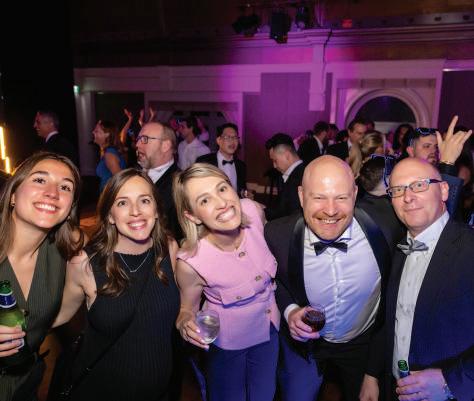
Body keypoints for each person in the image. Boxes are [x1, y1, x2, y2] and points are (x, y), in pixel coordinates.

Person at [265, 155, 395, 401]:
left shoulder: (386, 224)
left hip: (362, 345)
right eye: (319, 197)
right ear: (302, 196)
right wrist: (291, 311)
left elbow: (435, 221)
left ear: (355, 194)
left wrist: (448, 170)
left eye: (341, 197)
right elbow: (273, 280)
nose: (331, 210)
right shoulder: (276, 234)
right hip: (305, 346)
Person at [52, 169, 180, 401]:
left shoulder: (168, 249)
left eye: (144, 200)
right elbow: (58, 316)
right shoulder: (86, 263)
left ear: (156, 210)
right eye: (122, 203)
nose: (135, 211)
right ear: (110, 215)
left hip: (160, 392)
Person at [362, 157, 474, 401]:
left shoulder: (469, 248)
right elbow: (391, 317)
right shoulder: (399, 248)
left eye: (419, 185)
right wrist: (372, 374)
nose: (407, 197)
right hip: (395, 389)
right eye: (397, 190)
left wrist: (450, 382)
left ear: (443, 190)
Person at [173, 163, 280, 401]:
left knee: (265, 395)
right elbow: (186, 309)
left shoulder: (253, 211)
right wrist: (185, 323)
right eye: (205, 200)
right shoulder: (191, 262)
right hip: (228, 345)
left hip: (270, 329)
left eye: (222, 188)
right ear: (192, 216)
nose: (222, 202)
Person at [0, 152, 83, 401]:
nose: (53, 193)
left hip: (27, 386)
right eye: (39, 180)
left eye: (65, 187)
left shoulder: (65, 249)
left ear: (69, 208)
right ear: (13, 194)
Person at [136, 122, 182, 240]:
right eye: (139, 139)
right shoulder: (133, 174)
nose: (137, 144)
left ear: (165, 146)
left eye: (145, 139)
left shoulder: (182, 184)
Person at [196, 123, 247, 195]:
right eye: (227, 137)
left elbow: (241, 190)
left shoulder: (241, 166)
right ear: (218, 140)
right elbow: (198, 189)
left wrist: (245, 194)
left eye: (235, 137)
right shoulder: (204, 162)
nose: (232, 141)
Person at [264, 133, 304, 221]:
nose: (274, 166)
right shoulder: (301, 171)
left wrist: (261, 210)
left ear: (287, 155)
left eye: (275, 160)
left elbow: (289, 217)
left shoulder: (297, 180)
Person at [92, 120, 126, 193]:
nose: (93, 132)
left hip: (111, 196)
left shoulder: (110, 154)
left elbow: (121, 181)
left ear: (107, 134)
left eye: (96, 131)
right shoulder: (107, 151)